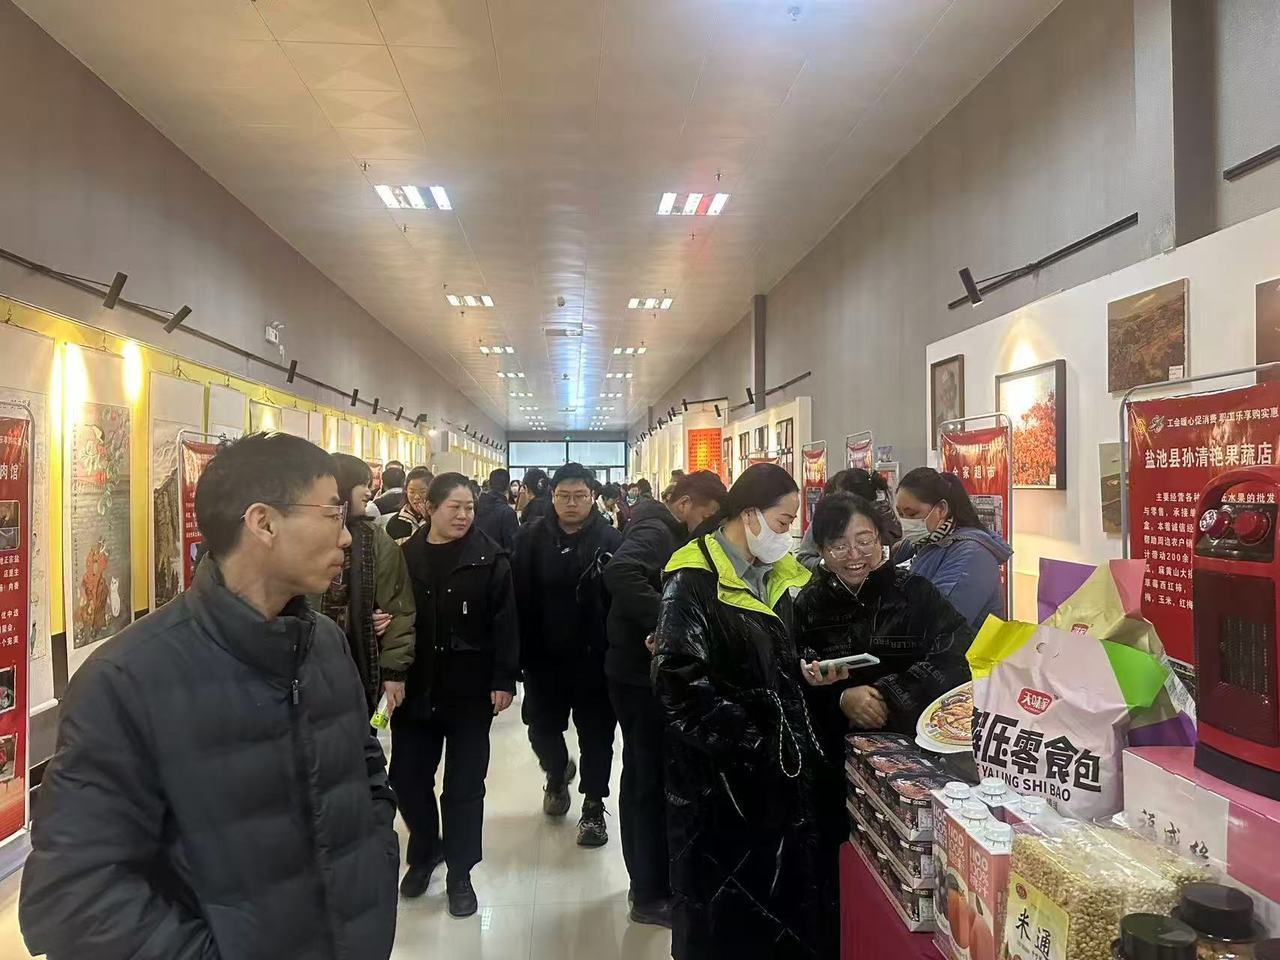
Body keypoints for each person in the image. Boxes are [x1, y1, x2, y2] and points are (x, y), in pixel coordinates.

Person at [19, 433, 399, 960]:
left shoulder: (325, 646)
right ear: (263, 523)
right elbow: (73, 898)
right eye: (333, 514)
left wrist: (375, 870)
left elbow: (365, 773)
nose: (347, 537)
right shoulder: (127, 679)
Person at [651, 463, 826, 960]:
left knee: (772, 905)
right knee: (719, 912)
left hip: (770, 775)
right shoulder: (693, 580)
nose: (787, 534)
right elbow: (678, 684)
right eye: (782, 521)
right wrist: (754, 739)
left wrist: (805, 669)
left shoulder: (774, 576)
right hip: (716, 779)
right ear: (749, 515)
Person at [794, 492, 975, 932]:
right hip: (837, 762)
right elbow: (792, 682)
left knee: (909, 869)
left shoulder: (916, 594)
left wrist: (886, 694)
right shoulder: (807, 605)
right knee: (841, 863)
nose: (855, 555)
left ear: (881, 539)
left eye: (865, 540)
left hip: (915, 756)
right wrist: (841, 698)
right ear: (821, 550)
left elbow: (957, 654)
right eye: (839, 545)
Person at [603, 470, 727, 928]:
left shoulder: (665, 528)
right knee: (645, 779)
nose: (707, 528)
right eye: (707, 517)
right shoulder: (657, 529)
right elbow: (619, 571)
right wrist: (671, 619)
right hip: (637, 677)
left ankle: (653, 882)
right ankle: (648, 891)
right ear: (686, 503)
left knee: (649, 775)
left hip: (640, 671)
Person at [393, 473, 519, 917]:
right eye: (455, 507)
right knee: (406, 778)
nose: (464, 515)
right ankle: (427, 850)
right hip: (417, 687)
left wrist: (504, 679)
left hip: (469, 689)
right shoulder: (405, 555)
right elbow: (391, 609)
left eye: (469, 508)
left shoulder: (490, 557)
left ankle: (461, 873)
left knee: (464, 787)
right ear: (430, 508)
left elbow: (506, 621)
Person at [513, 462, 622, 847]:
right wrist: (515, 655)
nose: (571, 503)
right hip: (543, 656)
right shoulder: (530, 538)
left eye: (579, 496)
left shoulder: (610, 539)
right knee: (541, 728)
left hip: (595, 657)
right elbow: (517, 597)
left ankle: (593, 806)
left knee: (597, 735)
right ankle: (557, 773)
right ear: (552, 497)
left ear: (592, 497)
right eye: (564, 496)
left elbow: (621, 597)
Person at [320, 453, 416, 714]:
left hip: (360, 665)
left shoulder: (376, 541)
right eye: (361, 484)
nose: (369, 490)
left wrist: (394, 670)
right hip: (311, 669)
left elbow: (399, 608)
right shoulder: (308, 536)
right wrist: (355, 618)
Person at [895, 467, 1013, 627]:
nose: (906, 522)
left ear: (941, 509)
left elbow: (941, 621)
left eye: (912, 514)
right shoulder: (920, 543)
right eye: (901, 515)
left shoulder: (972, 555)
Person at [796, 468, 903, 571]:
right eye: (839, 546)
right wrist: (829, 563)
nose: (854, 555)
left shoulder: (886, 521)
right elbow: (803, 559)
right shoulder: (824, 521)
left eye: (864, 542)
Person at [474, 467, 519, 551]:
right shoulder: (507, 512)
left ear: (490, 484)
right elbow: (513, 546)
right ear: (508, 486)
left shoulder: (475, 507)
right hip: (499, 557)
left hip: (476, 556)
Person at [385, 466, 433, 544]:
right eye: (412, 492)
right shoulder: (395, 522)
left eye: (423, 492)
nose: (417, 497)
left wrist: (429, 520)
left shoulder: (441, 518)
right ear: (406, 492)